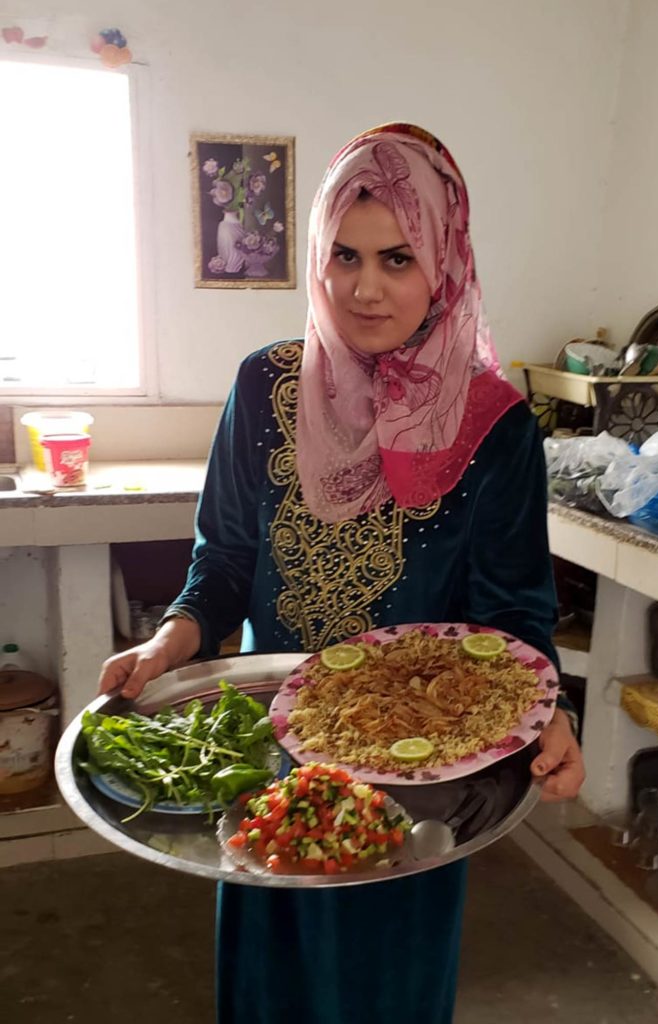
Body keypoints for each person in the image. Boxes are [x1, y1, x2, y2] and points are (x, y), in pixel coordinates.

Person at [99, 122, 585, 1024]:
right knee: (271, 977)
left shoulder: (495, 426)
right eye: (343, 256)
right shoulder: (265, 390)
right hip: (278, 758)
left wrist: (549, 709)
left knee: (385, 981)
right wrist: (175, 636)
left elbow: (513, 612)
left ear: (444, 259)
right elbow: (225, 562)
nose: (366, 288)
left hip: (420, 777)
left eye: (399, 257)